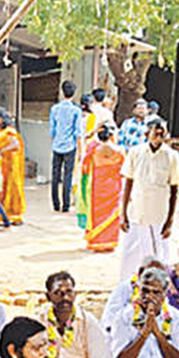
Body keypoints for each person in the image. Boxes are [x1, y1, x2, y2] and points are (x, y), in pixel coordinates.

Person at [117, 118, 179, 281]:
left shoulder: (172, 156)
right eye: (155, 134)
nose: (159, 137)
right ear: (147, 134)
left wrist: (170, 220)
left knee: (159, 254)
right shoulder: (135, 152)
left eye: (162, 134)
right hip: (136, 213)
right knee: (130, 254)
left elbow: (174, 190)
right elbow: (128, 184)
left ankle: (159, 285)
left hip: (159, 215)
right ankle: (127, 285)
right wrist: (123, 214)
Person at [82, 123, 125, 252]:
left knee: (98, 213)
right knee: (112, 213)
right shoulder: (120, 151)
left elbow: (85, 168)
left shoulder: (93, 151)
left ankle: (97, 241)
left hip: (98, 185)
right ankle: (110, 242)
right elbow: (125, 170)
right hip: (114, 185)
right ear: (111, 135)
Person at [49, 80, 81, 214]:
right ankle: (66, 204)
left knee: (55, 175)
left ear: (62, 92)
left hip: (57, 145)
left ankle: (55, 203)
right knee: (67, 175)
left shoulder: (54, 109)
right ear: (74, 94)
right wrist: (80, 149)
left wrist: (53, 143)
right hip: (70, 146)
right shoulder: (76, 111)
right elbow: (77, 132)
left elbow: (52, 130)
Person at [0, 107, 26, 225]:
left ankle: (12, 213)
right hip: (0, 165)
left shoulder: (10, 132)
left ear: (1, 119)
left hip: (10, 165)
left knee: (9, 189)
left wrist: (1, 150)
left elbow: (16, 145)